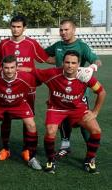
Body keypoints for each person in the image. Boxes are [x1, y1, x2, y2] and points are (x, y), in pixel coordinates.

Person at [34, 50, 106, 174]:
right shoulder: (52, 73)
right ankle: (50, 160)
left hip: (77, 109)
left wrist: (95, 112)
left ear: (79, 64)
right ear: (62, 63)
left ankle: (89, 160)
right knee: (50, 131)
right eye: (67, 62)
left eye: (73, 63)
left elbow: (101, 92)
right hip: (56, 108)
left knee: (96, 130)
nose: (70, 65)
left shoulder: (85, 76)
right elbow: (33, 72)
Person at [45, 19, 102, 159]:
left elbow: (97, 60)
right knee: (63, 119)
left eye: (66, 30)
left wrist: (92, 67)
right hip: (59, 90)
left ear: (73, 30)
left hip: (78, 93)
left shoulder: (81, 46)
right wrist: (55, 60)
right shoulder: (57, 45)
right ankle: (65, 146)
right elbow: (44, 55)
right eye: (61, 30)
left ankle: (90, 153)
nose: (63, 33)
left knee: (85, 123)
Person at [0, 15, 50, 161]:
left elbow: (45, 59)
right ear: (10, 27)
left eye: (19, 26)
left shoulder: (31, 43)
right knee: (6, 117)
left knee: (28, 118)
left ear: (24, 28)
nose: (16, 29)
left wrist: (66, 57)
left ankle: (27, 148)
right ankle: (5, 148)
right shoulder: (4, 44)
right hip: (8, 87)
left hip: (28, 87)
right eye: (13, 26)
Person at [0, 55, 42, 171]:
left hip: (19, 104)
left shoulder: (27, 78)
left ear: (17, 67)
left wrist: (30, 109)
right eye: (6, 68)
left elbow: (33, 89)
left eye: (12, 67)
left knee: (31, 125)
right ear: (1, 68)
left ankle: (32, 157)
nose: (9, 70)